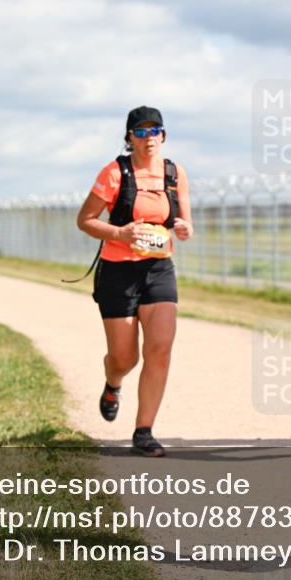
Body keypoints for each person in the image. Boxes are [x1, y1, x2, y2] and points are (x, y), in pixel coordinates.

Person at [76, 106, 194, 457]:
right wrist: (120, 233)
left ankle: (144, 430)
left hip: (158, 270)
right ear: (129, 138)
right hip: (118, 272)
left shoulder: (174, 173)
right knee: (124, 358)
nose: (148, 138)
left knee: (160, 347)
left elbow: (183, 223)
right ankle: (113, 384)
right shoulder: (115, 173)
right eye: (140, 132)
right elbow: (85, 219)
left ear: (163, 135)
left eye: (154, 130)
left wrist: (184, 229)